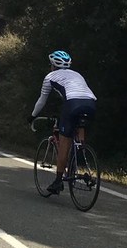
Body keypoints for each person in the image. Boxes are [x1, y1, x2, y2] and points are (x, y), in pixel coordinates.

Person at [27, 50, 97, 194]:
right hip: (90, 103)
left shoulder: (50, 77)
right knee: (79, 126)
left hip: (72, 103)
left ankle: (58, 181)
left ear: (53, 65)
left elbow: (42, 100)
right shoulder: (77, 74)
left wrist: (32, 116)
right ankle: (79, 154)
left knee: (65, 141)